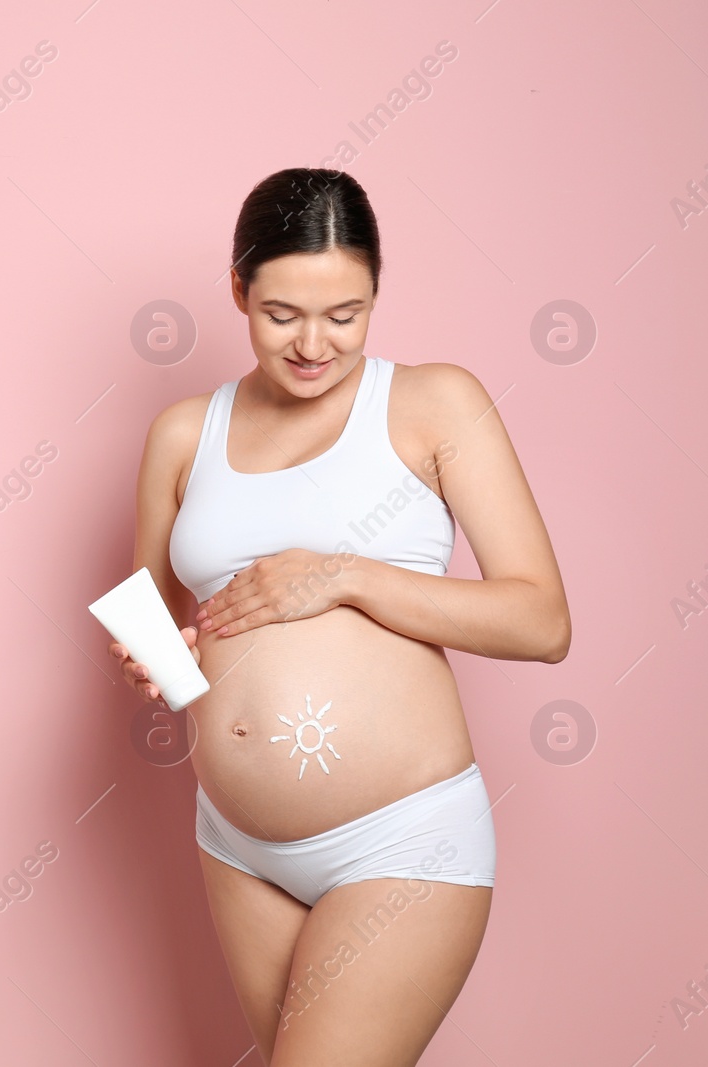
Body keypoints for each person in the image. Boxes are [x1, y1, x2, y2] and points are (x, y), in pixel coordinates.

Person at [109, 167, 570, 1065]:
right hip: (238, 844)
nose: (315, 343)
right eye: (282, 314)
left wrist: (343, 577)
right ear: (238, 289)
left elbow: (541, 620)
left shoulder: (435, 405)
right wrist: (161, 662)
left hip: (403, 835)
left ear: (376, 293)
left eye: (345, 314)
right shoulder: (181, 432)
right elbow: (149, 612)